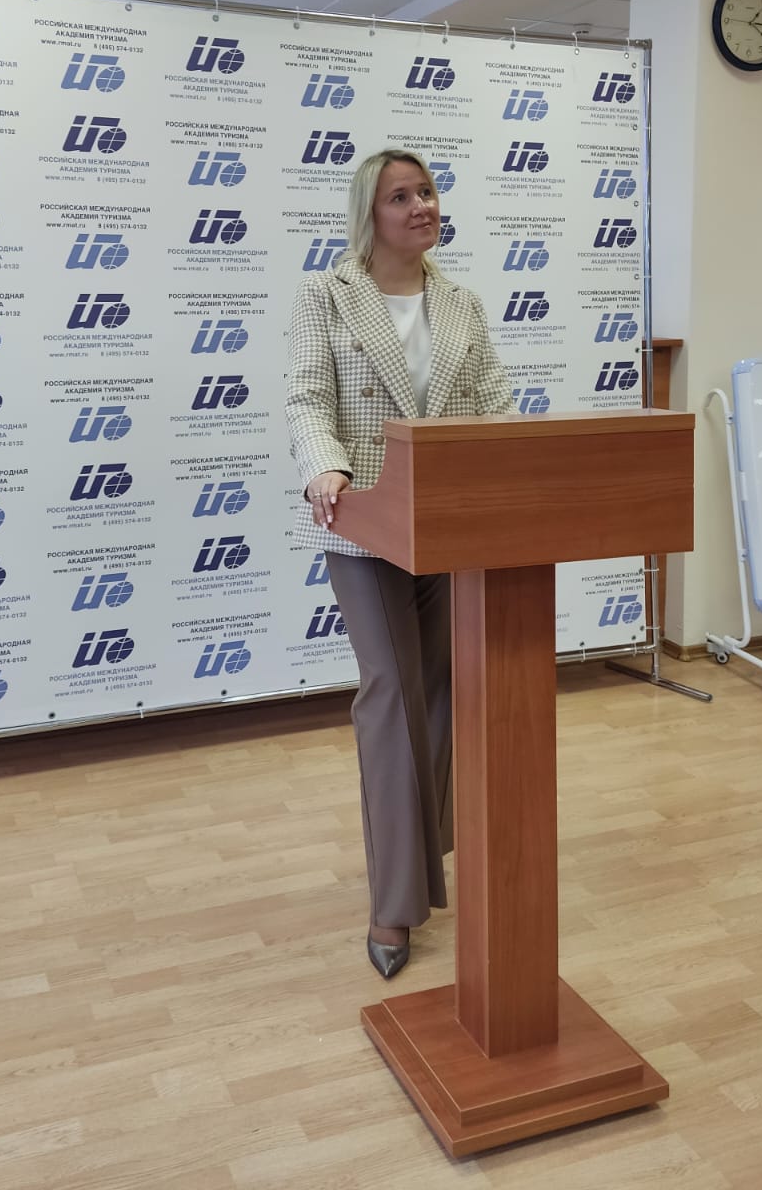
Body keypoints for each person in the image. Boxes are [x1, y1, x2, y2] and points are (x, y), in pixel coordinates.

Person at [285, 149, 513, 979]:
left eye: (427, 191)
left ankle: (427, 857)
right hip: (365, 526)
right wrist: (326, 467)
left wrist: (513, 466)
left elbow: (493, 403)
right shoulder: (326, 294)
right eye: (401, 196)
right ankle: (394, 903)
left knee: (442, 691)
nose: (422, 205)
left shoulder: (462, 303)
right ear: (369, 215)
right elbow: (308, 397)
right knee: (390, 692)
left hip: (450, 526)